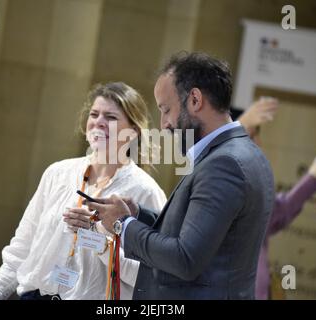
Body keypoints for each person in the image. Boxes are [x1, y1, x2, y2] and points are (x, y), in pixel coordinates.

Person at [78, 52, 275, 299]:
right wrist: (138, 215)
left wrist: (122, 225)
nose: (163, 124)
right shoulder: (245, 154)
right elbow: (199, 234)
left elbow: (185, 259)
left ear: (194, 100)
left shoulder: (224, 164)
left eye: (166, 109)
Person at [0, 82, 166, 300]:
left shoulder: (145, 192)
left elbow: (148, 276)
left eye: (111, 117)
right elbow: (23, 245)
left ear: (133, 132)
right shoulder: (57, 173)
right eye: (94, 114)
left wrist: (97, 239)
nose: (99, 122)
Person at [233, 99, 316, 299]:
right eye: (252, 136)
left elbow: (279, 212)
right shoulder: (217, 187)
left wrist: (314, 174)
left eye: (256, 136)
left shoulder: (253, 189)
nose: (259, 144)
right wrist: (241, 126)